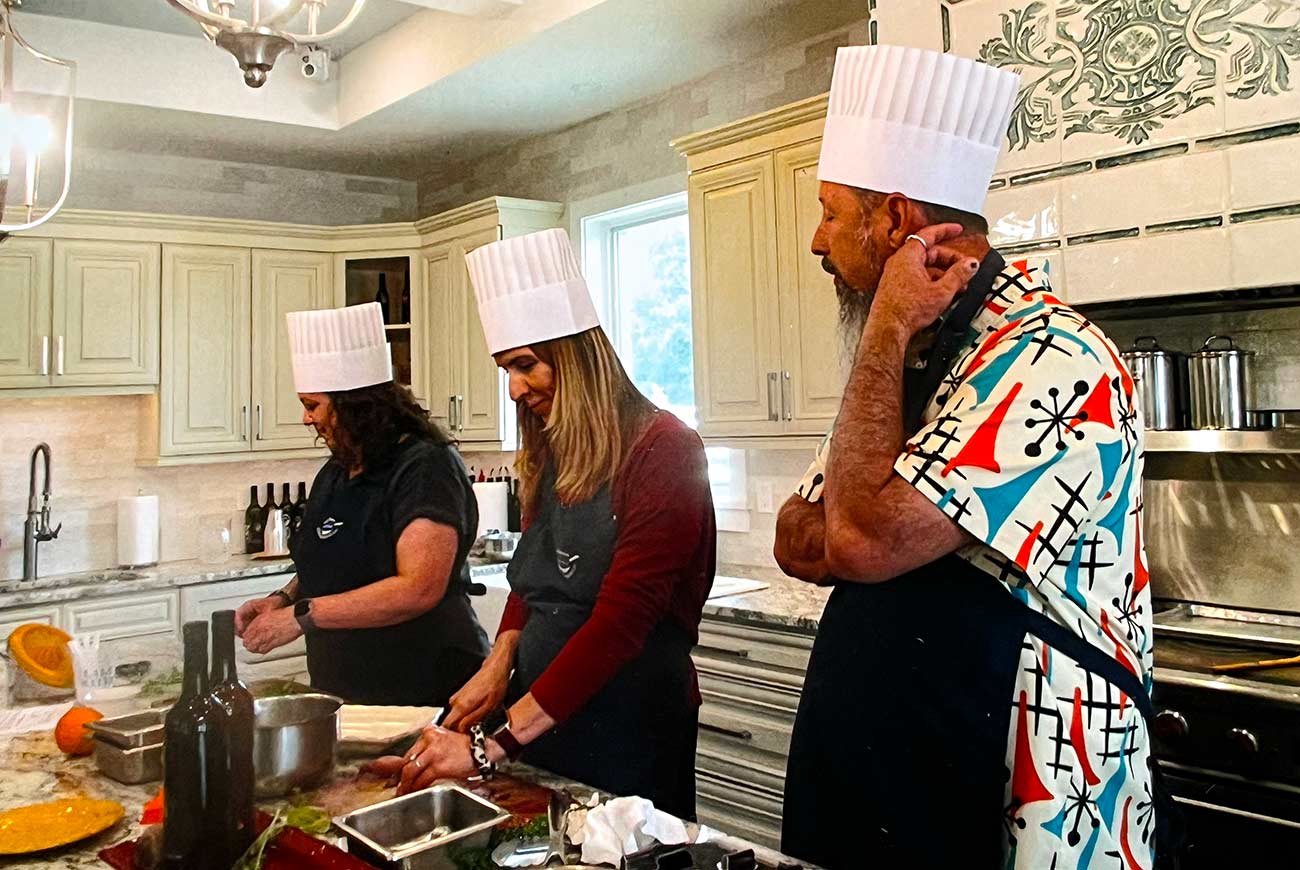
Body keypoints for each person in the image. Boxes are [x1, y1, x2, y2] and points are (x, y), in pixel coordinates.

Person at [775, 46, 1159, 869]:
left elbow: (855, 541)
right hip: (896, 772)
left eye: (831, 211)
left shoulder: (1055, 356)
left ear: (897, 221)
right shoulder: (920, 359)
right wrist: (861, 523)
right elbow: (794, 535)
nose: (816, 240)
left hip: (1030, 786)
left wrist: (882, 326)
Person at [375, 228, 715, 820]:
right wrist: (499, 663)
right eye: (506, 369)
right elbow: (533, 586)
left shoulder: (666, 451)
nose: (514, 388)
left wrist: (491, 749)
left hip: (626, 726)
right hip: (541, 718)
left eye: (526, 365)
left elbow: (619, 625)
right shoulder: (554, 454)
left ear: (578, 356)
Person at [236, 302, 489, 706]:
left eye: (312, 405)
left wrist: (301, 616)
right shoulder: (337, 473)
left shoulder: (424, 466)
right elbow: (338, 562)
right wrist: (282, 599)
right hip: (347, 695)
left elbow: (418, 588)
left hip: (425, 689)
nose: (306, 419)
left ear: (355, 406)